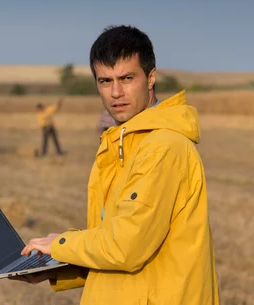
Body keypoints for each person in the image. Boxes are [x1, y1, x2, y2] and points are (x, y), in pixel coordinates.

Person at [12, 25, 219, 304]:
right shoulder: (124, 142)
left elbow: (127, 246)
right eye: (105, 81)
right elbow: (115, 243)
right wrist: (56, 267)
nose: (116, 92)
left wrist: (61, 245)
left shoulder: (162, 148)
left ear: (151, 78)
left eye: (127, 78)